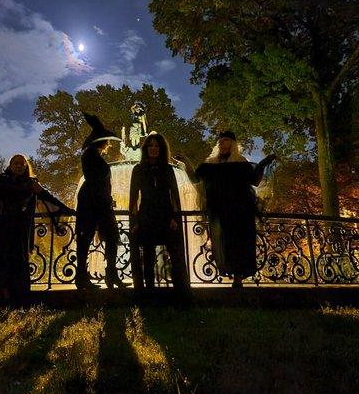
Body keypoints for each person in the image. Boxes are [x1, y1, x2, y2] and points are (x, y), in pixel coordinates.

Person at [0, 154, 75, 307]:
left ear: (26, 167)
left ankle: (13, 299)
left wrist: (66, 209)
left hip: (19, 230)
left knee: (16, 262)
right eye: (15, 163)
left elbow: (46, 197)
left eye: (22, 164)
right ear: (10, 165)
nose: (19, 166)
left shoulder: (31, 184)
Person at [177, 131, 275, 288]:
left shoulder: (241, 163)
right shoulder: (211, 164)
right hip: (219, 211)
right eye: (220, 141)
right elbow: (196, 178)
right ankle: (229, 272)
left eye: (226, 140)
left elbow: (254, 181)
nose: (222, 143)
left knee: (240, 243)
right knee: (223, 243)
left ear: (233, 144)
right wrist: (186, 162)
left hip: (240, 210)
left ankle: (238, 278)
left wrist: (263, 164)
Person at [129, 133, 190, 294]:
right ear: (146, 149)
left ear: (162, 149)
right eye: (151, 146)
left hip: (166, 217)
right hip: (146, 217)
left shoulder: (168, 169)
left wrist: (175, 217)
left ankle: (180, 294)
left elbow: (175, 195)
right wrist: (134, 221)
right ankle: (148, 295)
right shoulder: (138, 169)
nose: (154, 149)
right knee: (147, 258)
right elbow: (133, 197)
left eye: (157, 146)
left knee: (175, 256)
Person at [76, 113, 127, 290]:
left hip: (99, 201)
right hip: (93, 202)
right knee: (90, 238)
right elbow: (96, 180)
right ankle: (84, 277)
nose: (109, 143)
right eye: (107, 140)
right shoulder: (90, 154)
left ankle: (109, 275)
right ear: (100, 140)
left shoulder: (93, 154)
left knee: (110, 237)